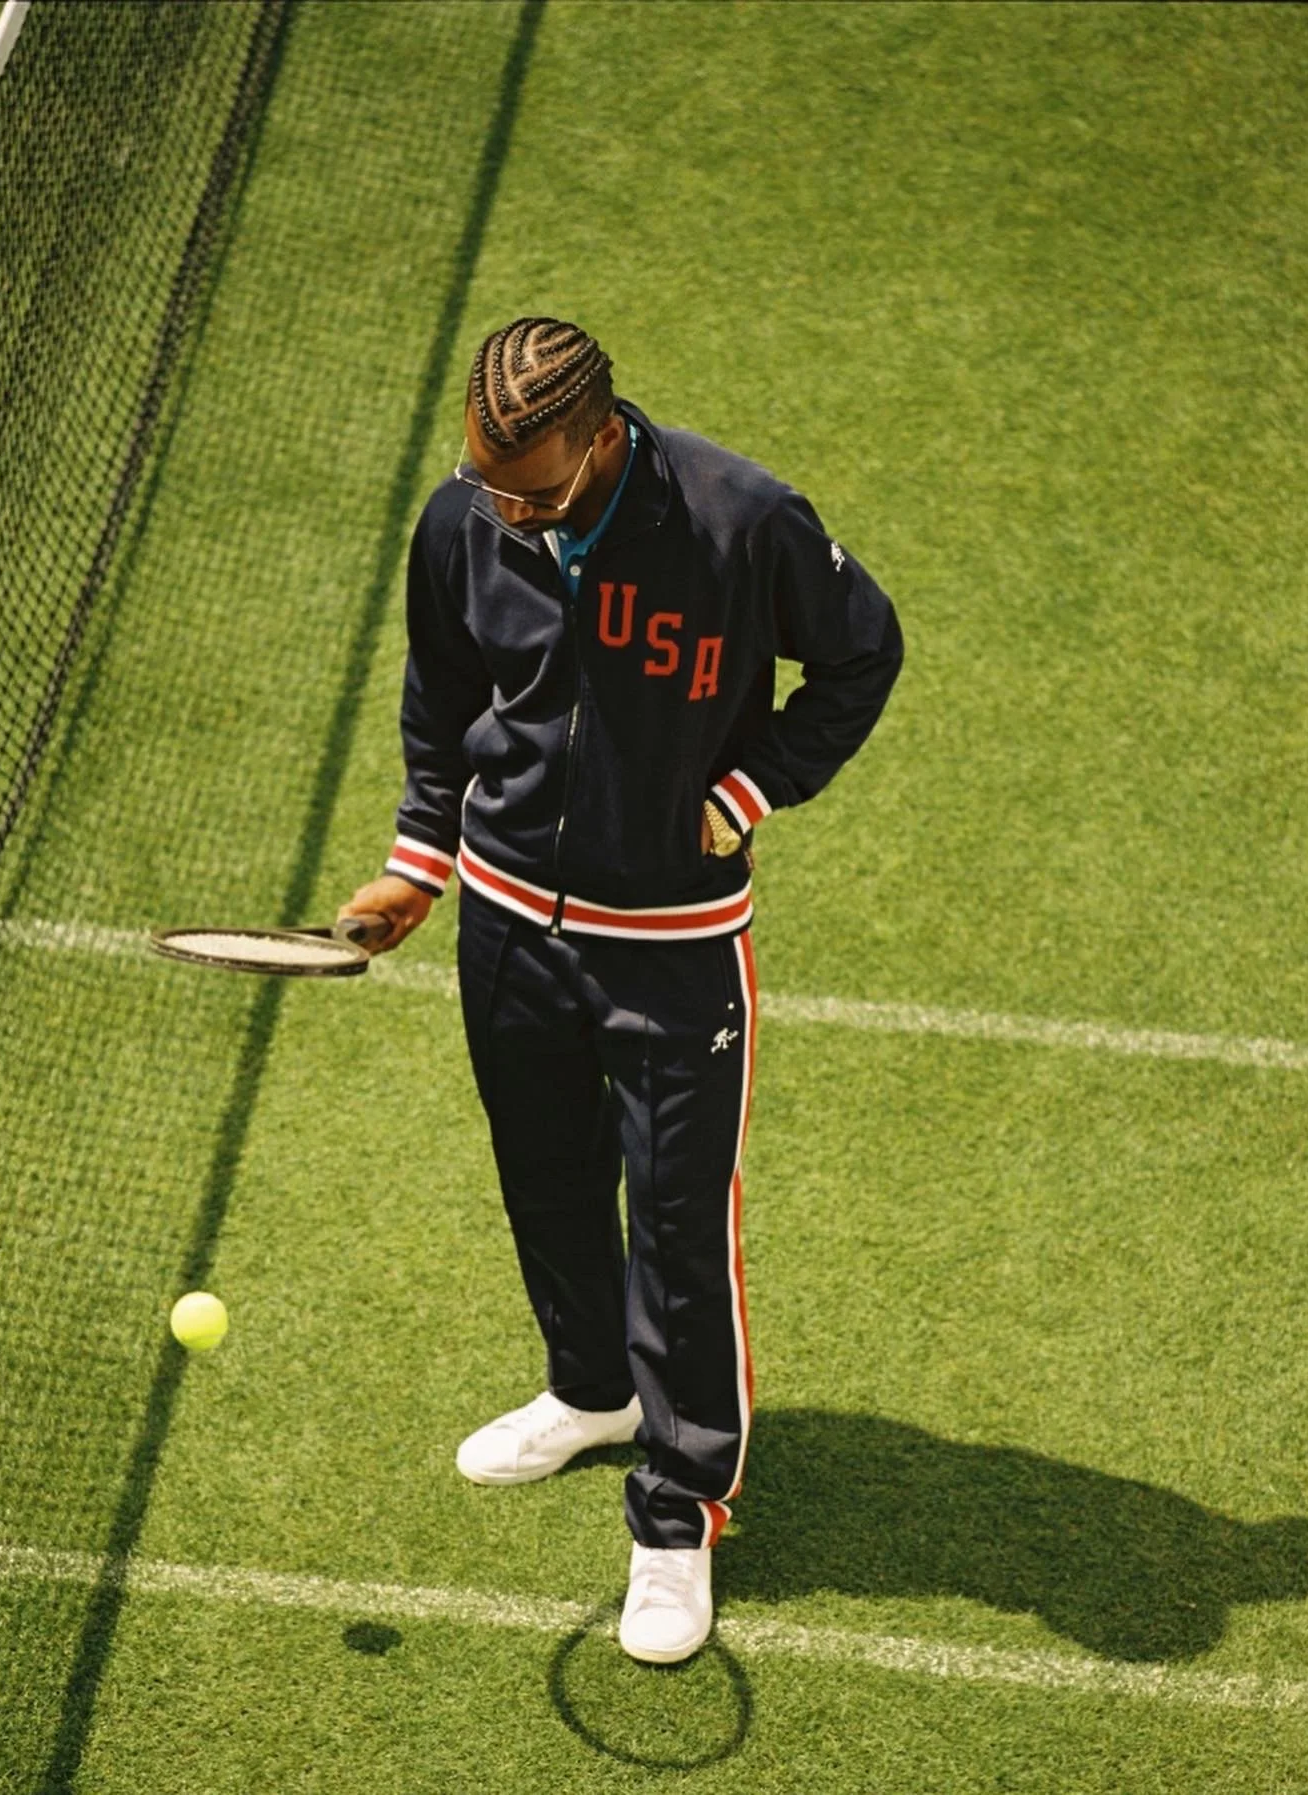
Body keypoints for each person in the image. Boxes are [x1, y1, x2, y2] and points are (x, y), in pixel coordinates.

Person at [341, 317, 902, 1664]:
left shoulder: (738, 517)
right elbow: (445, 692)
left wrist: (746, 788)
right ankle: (590, 1390)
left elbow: (862, 651)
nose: (507, 509)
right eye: (488, 482)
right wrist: (420, 861)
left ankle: (678, 1510)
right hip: (508, 929)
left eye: (530, 487)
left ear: (601, 437)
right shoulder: (465, 518)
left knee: (676, 1228)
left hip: (672, 937)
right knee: (543, 1176)